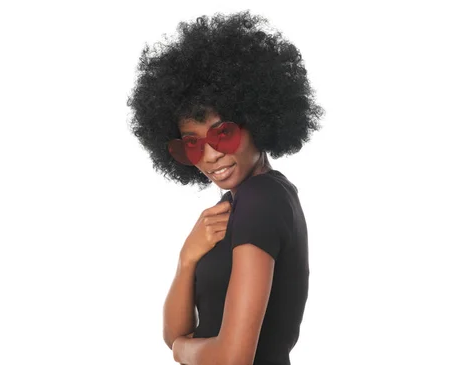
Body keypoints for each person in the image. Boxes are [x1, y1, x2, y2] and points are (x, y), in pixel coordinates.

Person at [126, 10, 324, 365]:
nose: (212, 155)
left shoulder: (261, 198)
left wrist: (182, 352)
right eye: (192, 143)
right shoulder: (239, 205)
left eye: (224, 133)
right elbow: (174, 331)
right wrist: (188, 258)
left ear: (258, 121)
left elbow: (230, 357)